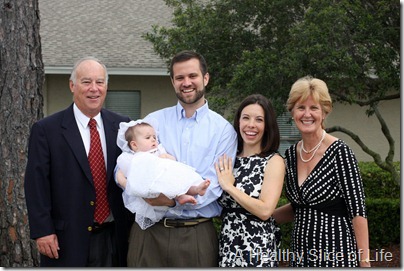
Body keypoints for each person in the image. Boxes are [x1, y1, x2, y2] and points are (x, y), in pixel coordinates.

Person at [116, 50, 238, 267]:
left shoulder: (223, 131)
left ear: (205, 78)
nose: (186, 82)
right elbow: (127, 164)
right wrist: (134, 186)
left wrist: (169, 201)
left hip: (196, 234)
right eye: (180, 77)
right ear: (172, 82)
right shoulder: (153, 122)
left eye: (193, 76)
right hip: (149, 232)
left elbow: (213, 187)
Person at [24, 57, 133, 267]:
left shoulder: (122, 126)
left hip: (115, 237)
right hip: (65, 240)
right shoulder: (47, 130)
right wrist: (43, 230)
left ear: (106, 87)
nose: (94, 89)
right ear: (72, 85)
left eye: (99, 82)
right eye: (86, 82)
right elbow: (36, 185)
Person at [273, 76, 370, 267]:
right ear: (292, 112)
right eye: (301, 107)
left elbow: (358, 211)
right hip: (301, 254)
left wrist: (364, 262)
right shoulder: (290, 155)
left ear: (324, 113)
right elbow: (299, 207)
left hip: (336, 253)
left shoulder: (340, 152)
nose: (307, 114)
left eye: (314, 108)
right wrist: (261, 215)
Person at [214, 94, 285, 267]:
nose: (251, 125)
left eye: (259, 119)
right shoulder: (229, 158)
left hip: (257, 248)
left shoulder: (273, 161)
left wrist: (230, 187)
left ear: (267, 126)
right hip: (228, 244)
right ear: (238, 122)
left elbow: (265, 210)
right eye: (245, 118)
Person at [115, 119, 211, 230]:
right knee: (167, 186)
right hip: (150, 184)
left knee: (181, 180)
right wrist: (124, 181)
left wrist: (165, 158)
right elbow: (122, 173)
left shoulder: (158, 150)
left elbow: (173, 160)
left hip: (166, 178)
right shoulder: (132, 157)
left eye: (154, 137)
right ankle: (181, 196)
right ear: (134, 145)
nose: (153, 140)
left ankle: (196, 189)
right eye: (148, 138)